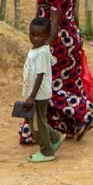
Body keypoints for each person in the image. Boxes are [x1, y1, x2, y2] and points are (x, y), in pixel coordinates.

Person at [20, 0, 93, 145]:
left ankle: (86, 112)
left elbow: (54, 21)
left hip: (59, 41)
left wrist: (46, 46)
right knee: (69, 82)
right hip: (72, 37)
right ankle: (65, 125)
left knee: (47, 85)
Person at [21, 17, 63, 163]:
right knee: (34, 120)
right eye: (33, 35)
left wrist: (32, 96)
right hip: (34, 93)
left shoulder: (42, 53)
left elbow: (40, 75)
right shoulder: (37, 49)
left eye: (40, 36)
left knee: (38, 124)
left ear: (47, 36)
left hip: (38, 95)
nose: (36, 38)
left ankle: (46, 151)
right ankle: (55, 137)